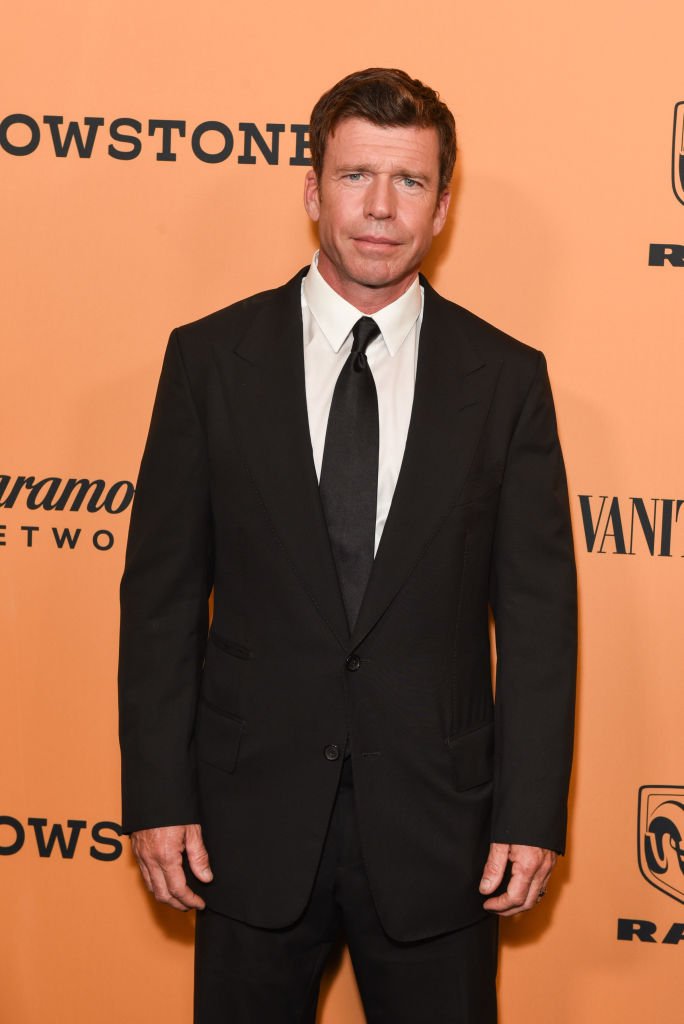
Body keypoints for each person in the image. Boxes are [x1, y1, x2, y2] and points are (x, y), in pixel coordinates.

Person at [118, 67, 577, 1023]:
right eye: (355, 175)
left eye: (409, 182)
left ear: (444, 205)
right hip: (245, 826)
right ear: (311, 188)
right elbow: (161, 601)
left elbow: (538, 619)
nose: (379, 208)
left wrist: (529, 816)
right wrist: (158, 797)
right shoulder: (208, 362)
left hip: (442, 832)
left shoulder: (506, 380)